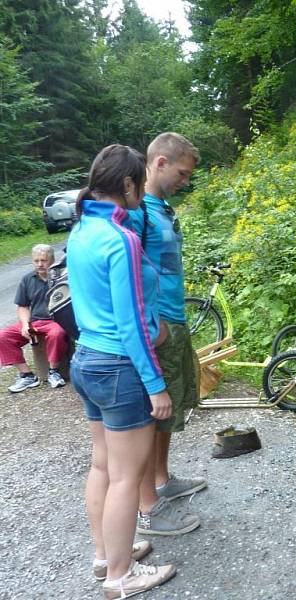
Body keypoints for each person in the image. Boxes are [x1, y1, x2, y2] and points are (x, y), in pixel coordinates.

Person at [68, 144, 176, 599]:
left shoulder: (80, 230)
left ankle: (105, 556)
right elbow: (131, 322)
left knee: (103, 465)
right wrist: (156, 385)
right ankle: (119, 577)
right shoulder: (121, 239)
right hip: (119, 367)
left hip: (86, 360)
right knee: (128, 477)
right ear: (130, 185)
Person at [127, 133, 206, 537]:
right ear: (158, 162)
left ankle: (161, 479)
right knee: (150, 414)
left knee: (170, 408)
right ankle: (148, 508)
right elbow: (131, 276)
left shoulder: (161, 208)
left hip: (174, 321)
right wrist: (150, 324)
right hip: (157, 328)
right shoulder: (137, 212)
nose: (185, 180)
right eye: (181, 172)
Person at [0, 244, 69, 392]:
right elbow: (22, 306)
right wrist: (25, 324)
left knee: (57, 333)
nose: (40, 264)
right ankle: (27, 375)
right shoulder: (27, 279)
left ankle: (53, 372)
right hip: (35, 321)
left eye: (44, 260)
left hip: (55, 321)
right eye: (36, 261)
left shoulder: (62, 276)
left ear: (52, 259)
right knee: (3, 336)